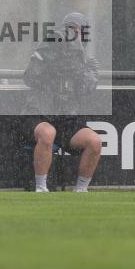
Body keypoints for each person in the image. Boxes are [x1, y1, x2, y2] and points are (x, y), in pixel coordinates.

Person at [22, 12, 103, 193]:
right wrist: (49, 60)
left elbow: (86, 89)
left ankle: (81, 190)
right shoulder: (48, 50)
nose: (72, 35)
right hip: (40, 113)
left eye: (77, 31)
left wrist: (79, 68)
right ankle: (41, 188)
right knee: (48, 133)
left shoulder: (85, 62)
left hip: (67, 119)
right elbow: (29, 78)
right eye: (69, 30)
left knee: (94, 141)